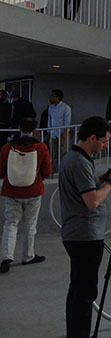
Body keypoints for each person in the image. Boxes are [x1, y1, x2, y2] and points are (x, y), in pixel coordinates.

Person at [59, 116, 111, 337]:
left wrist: (103, 178)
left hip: (77, 235)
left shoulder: (74, 158)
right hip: (84, 237)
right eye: (104, 142)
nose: (105, 146)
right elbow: (93, 201)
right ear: (93, 137)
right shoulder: (79, 162)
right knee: (84, 294)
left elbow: (85, 187)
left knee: (78, 291)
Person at [0, 117, 52, 273]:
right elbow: (47, 171)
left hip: (12, 191)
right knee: (30, 225)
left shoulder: (7, 147)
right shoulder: (41, 147)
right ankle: (28, 256)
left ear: (19, 128)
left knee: (10, 223)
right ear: (34, 130)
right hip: (33, 191)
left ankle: (6, 257)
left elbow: (1, 170)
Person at [48, 89, 72, 171]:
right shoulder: (50, 108)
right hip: (53, 133)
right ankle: (58, 170)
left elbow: (67, 123)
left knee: (65, 152)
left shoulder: (66, 108)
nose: (51, 97)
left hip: (63, 133)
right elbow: (50, 121)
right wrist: (49, 133)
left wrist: (63, 136)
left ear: (57, 97)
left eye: (53, 96)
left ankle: (65, 169)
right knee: (55, 153)